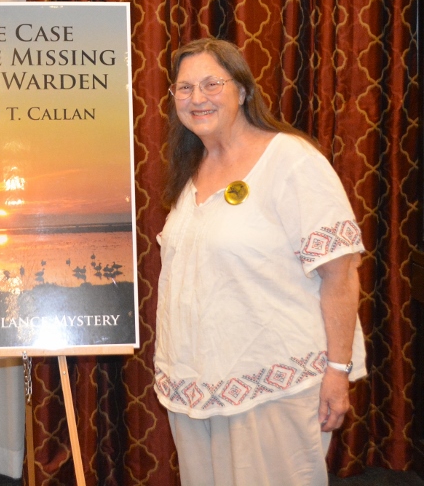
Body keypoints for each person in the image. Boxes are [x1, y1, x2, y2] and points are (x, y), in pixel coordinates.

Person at [153, 38, 366, 485]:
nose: (197, 98)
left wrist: (338, 372)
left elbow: (340, 274)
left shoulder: (290, 161)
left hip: (274, 385)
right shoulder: (194, 169)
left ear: (243, 90)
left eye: (212, 83)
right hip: (198, 385)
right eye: (184, 88)